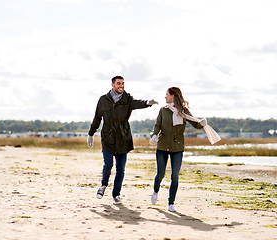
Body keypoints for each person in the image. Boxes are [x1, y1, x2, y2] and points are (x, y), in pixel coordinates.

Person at [87, 75, 157, 204]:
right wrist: (91, 134)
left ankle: (116, 194)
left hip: (123, 138)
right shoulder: (103, 100)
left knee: (121, 169)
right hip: (108, 137)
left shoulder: (127, 99)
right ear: (112, 85)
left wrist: (148, 103)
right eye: (119, 83)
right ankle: (103, 185)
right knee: (108, 164)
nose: (121, 86)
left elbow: (137, 103)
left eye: (123, 83)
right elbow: (97, 118)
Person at [149, 87, 207, 212]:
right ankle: (155, 191)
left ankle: (171, 203)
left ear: (173, 96)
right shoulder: (163, 111)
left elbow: (195, 123)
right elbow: (157, 125)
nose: (165, 97)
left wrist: (202, 123)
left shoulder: (183, 111)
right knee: (160, 174)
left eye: (166, 95)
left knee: (174, 176)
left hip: (177, 147)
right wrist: (154, 135)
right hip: (162, 146)